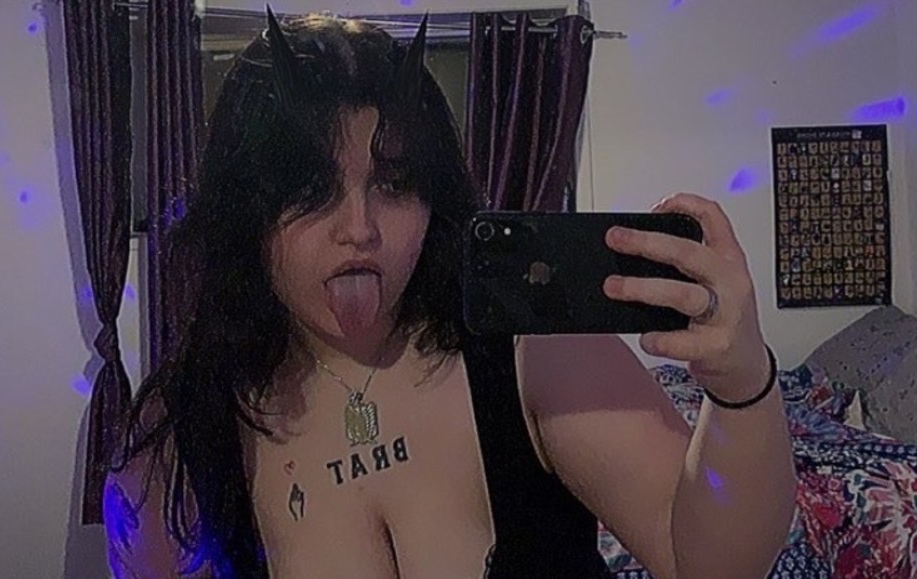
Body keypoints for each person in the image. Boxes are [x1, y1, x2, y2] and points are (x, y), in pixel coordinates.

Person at [104, 9, 796, 579]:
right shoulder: (179, 439)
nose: (360, 229)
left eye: (394, 184)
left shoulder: (536, 352)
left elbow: (711, 564)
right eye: (310, 191)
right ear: (244, 212)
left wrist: (741, 383)